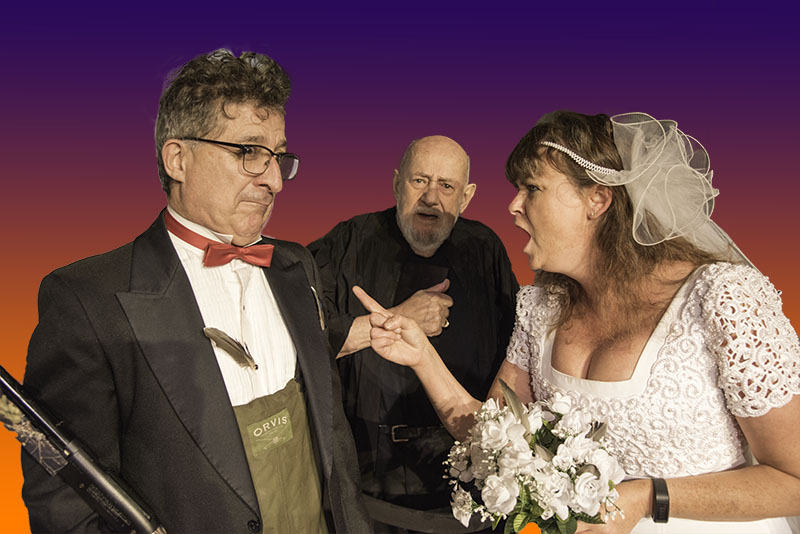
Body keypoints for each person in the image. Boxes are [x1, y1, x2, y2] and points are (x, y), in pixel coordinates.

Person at [353, 112, 800, 533]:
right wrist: (422, 355)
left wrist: (648, 498)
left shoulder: (722, 299)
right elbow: (493, 436)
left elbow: (793, 479)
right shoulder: (540, 309)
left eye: (532, 188)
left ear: (596, 200)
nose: (513, 206)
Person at [20, 49, 371, 534]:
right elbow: (65, 504)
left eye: (278, 157)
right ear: (178, 159)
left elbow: (332, 442)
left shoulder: (296, 265)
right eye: (249, 152)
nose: (274, 180)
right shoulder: (87, 301)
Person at [309, 135, 518, 531]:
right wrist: (399, 318)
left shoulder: (485, 248)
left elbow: (515, 360)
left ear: (467, 197)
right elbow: (297, 339)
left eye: (447, 186)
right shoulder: (347, 241)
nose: (431, 198)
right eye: (419, 180)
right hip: (367, 482)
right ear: (396, 183)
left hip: (467, 484)